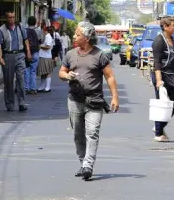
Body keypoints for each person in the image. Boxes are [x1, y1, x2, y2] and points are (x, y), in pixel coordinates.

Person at [59, 21, 119, 181]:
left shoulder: (99, 55)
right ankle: (82, 162)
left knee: (92, 133)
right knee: (78, 135)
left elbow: (110, 76)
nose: (74, 36)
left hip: (94, 101)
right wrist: (67, 76)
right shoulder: (70, 54)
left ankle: (88, 165)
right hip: (75, 100)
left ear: (86, 38)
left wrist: (115, 97)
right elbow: (61, 72)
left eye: (77, 35)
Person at [152, 17, 174, 142]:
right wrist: (159, 81)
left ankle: (159, 126)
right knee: (162, 104)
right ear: (165, 26)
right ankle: (158, 133)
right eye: (172, 26)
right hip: (163, 77)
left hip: (173, 77)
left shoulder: (172, 39)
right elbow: (157, 63)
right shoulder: (159, 41)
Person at [0, 12, 32, 111]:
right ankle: (10, 104)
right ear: (6, 18)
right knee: (8, 81)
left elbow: (26, 40)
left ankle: (22, 103)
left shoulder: (20, 26)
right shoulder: (1, 30)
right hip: (8, 56)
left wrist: (28, 52)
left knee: (21, 79)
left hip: (20, 55)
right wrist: (0, 58)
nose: (11, 19)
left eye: (13, 17)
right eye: (9, 17)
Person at [25, 16, 42, 95]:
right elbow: (41, 41)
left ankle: (26, 88)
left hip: (27, 53)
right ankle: (33, 88)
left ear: (28, 22)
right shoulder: (38, 30)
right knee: (33, 71)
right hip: (35, 52)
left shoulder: (25, 30)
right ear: (35, 22)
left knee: (26, 70)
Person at [37, 23, 55, 93]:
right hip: (44, 56)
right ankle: (42, 86)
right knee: (44, 72)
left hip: (46, 56)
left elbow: (48, 47)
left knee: (47, 72)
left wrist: (40, 46)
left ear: (45, 30)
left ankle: (47, 87)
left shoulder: (48, 36)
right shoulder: (48, 36)